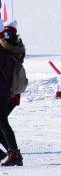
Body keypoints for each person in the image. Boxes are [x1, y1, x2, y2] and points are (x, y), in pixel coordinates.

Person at [0, 19, 25, 166]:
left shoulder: (2, 50)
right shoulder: (7, 50)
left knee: (2, 123)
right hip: (7, 91)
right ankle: (12, 152)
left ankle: (13, 153)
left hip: (2, 92)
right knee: (2, 123)